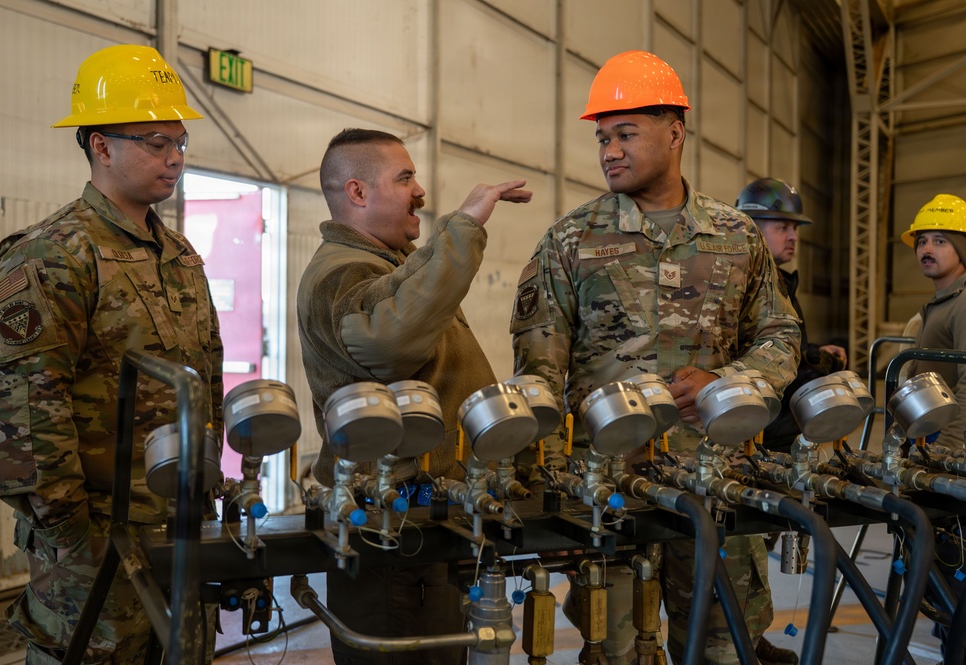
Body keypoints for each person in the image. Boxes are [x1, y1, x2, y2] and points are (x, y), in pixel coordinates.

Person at [510, 51, 801, 665]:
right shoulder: (571, 240)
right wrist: (549, 492)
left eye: (626, 133)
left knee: (724, 647)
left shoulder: (735, 235)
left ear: (675, 134)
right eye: (602, 138)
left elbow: (780, 333)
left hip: (717, 480)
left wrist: (727, 380)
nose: (609, 150)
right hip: (609, 490)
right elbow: (538, 376)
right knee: (615, 651)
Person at [0, 45, 223, 664]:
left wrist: (207, 483)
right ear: (100, 145)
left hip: (178, 527)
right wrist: (70, 536)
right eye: (153, 141)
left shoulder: (179, 254)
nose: (174, 159)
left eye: (179, 141)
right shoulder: (52, 255)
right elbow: (27, 411)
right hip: (95, 540)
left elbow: (206, 374)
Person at [296, 127, 531, 665]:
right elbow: (389, 340)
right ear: (357, 193)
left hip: (423, 523)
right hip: (390, 536)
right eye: (405, 179)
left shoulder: (389, 265)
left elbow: (417, 288)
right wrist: (466, 224)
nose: (420, 191)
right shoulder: (343, 273)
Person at [735, 178, 847, 452]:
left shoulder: (781, 283)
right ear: (752, 229)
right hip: (758, 433)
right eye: (783, 227)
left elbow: (780, 341)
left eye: (795, 228)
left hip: (786, 427)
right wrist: (809, 366)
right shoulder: (736, 285)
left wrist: (812, 351)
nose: (794, 236)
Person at [901, 193, 966, 661]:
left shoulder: (964, 305)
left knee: (955, 572)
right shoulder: (936, 306)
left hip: (952, 459)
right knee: (940, 568)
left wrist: (951, 451)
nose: (927, 248)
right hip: (931, 452)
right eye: (922, 240)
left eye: (941, 240)